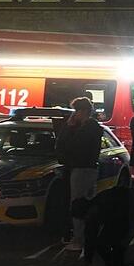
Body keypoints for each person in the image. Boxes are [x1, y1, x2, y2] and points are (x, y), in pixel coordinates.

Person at [72, 182, 134, 266]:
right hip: (122, 215)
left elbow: (119, 228)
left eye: (85, 217)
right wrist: (88, 259)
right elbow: (90, 235)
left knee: (118, 246)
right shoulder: (93, 211)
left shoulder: (106, 204)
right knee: (102, 244)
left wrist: (122, 239)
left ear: (88, 210)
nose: (86, 219)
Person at [56, 96, 103, 252]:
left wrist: (69, 127)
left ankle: (78, 239)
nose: (75, 114)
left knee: (77, 203)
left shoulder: (87, 128)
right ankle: (87, 237)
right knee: (87, 203)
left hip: (82, 169)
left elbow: (71, 146)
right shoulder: (94, 127)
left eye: (77, 111)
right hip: (89, 168)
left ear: (83, 111)